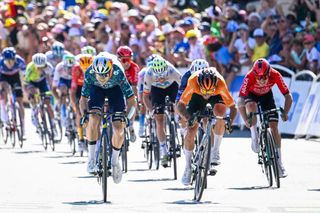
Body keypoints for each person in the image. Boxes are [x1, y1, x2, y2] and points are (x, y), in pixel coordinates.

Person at [79, 54, 136, 184]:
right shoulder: (90, 73)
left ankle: (115, 161)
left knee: (118, 127)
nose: (103, 78)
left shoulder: (118, 72)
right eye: (100, 75)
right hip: (96, 89)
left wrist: (127, 117)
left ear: (111, 70)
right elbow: (83, 99)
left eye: (105, 74)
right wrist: (84, 115)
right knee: (93, 118)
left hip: (115, 90)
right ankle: (91, 159)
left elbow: (132, 100)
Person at [177, 67, 237, 186]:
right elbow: (180, 106)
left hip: (217, 97)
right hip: (196, 97)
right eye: (205, 91)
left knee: (220, 115)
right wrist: (189, 119)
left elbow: (233, 108)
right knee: (191, 129)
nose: (207, 94)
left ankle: (215, 151)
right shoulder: (193, 81)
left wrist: (229, 122)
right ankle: (188, 167)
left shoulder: (220, 83)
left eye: (209, 91)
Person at [237, 58, 293, 178]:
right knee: (251, 106)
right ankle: (254, 135)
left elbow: (288, 96)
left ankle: (279, 163)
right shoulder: (249, 76)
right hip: (251, 95)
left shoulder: (275, 74)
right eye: (258, 78)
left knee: (274, 127)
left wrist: (285, 112)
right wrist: (245, 119)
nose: (261, 80)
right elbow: (240, 100)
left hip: (267, 96)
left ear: (269, 73)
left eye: (264, 77)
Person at [143, 55, 181, 167]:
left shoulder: (172, 70)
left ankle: (177, 125)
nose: (161, 78)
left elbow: (184, 87)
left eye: (163, 75)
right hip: (157, 90)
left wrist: (180, 107)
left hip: (172, 87)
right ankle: (163, 150)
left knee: (176, 106)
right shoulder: (149, 74)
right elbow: (145, 97)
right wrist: (151, 110)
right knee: (159, 120)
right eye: (158, 76)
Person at [175, 59, 209, 138]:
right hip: (189, 96)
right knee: (184, 114)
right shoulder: (186, 77)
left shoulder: (212, 76)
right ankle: (184, 131)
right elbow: (179, 98)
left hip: (203, 95)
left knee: (206, 117)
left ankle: (208, 139)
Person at [0, 47, 26, 137]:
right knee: (4, 90)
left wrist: (25, 85)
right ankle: (3, 112)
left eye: (12, 60)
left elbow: (25, 75)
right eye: (7, 61)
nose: (10, 63)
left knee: (20, 101)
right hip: (3, 77)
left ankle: (23, 126)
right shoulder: (0, 63)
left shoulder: (20, 61)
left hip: (15, 77)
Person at [24, 53, 54, 129]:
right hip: (32, 82)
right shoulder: (30, 68)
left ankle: (53, 125)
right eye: (38, 67)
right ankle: (34, 111)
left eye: (42, 67)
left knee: (48, 103)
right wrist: (29, 94)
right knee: (33, 93)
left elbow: (51, 80)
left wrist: (51, 91)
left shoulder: (48, 67)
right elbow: (26, 84)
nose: (40, 69)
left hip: (42, 82)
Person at [117, 46, 140, 142]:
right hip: (118, 86)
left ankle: (130, 124)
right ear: (118, 59)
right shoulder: (116, 66)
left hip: (130, 86)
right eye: (124, 60)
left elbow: (134, 87)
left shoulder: (134, 67)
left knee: (133, 100)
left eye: (129, 60)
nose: (126, 63)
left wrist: (135, 101)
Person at [70, 53, 93, 152]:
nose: (86, 72)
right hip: (79, 89)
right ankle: (81, 139)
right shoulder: (76, 69)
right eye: (84, 69)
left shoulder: (94, 69)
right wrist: (74, 105)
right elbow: (73, 91)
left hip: (91, 88)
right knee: (79, 113)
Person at [52, 54, 76, 126]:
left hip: (72, 79)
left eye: (71, 68)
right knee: (63, 90)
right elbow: (53, 88)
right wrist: (58, 99)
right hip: (62, 80)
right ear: (64, 65)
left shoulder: (77, 66)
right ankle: (61, 107)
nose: (69, 70)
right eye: (67, 68)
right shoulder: (59, 67)